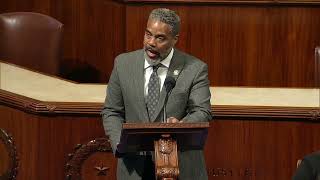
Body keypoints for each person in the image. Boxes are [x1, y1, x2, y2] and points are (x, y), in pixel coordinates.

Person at [101, 8, 212, 180]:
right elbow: (111, 111)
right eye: (148, 34)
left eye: (160, 38)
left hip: (179, 166)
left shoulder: (195, 69)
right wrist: (119, 144)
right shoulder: (123, 64)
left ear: (174, 39)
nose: (151, 42)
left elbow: (202, 112)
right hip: (134, 168)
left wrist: (182, 125)